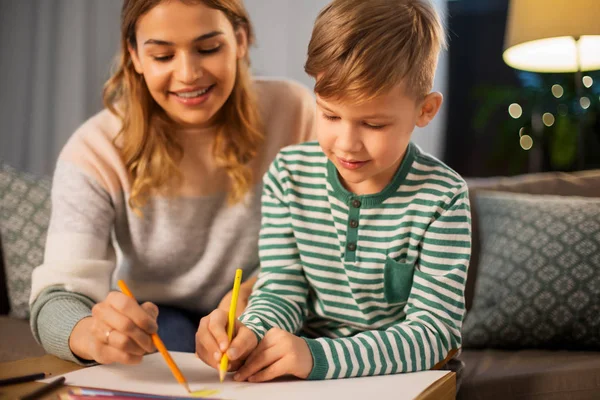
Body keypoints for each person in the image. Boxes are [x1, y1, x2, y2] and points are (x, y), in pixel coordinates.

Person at [196, 0, 471, 383]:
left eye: (373, 124)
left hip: (401, 378)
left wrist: (317, 356)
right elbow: (282, 287)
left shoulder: (443, 197)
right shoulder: (289, 175)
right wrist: (252, 333)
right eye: (329, 115)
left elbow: (434, 335)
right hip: (306, 372)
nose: (346, 144)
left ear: (425, 110)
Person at [29, 0, 315, 366]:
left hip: (272, 303)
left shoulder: (295, 113)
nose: (188, 74)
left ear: (240, 40)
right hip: (162, 319)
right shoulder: (94, 150)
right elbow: (58, 296)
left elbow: (323, 244)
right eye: (163, 56)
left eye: (208, 48)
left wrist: (254, 293)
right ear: (134, 55)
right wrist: (89, 333)